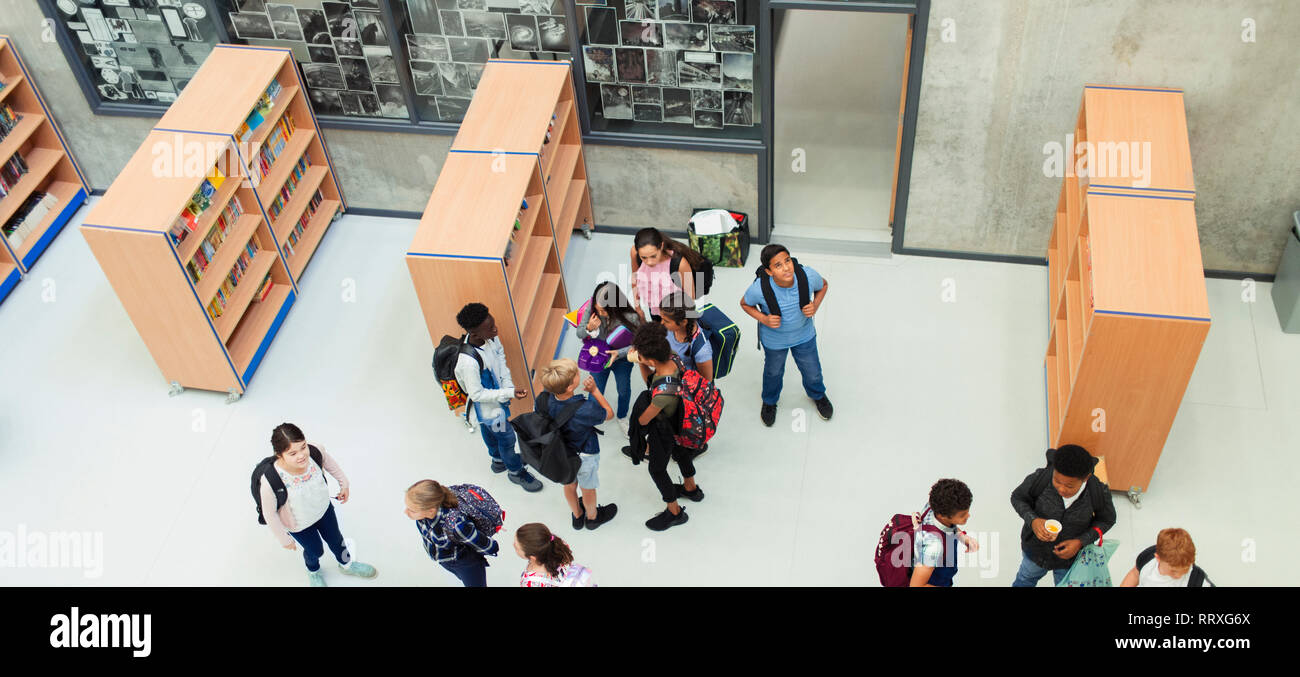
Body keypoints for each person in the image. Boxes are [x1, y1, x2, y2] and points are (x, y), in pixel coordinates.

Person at [257, 423, 378, 587]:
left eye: (303, 447)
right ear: (279, 455)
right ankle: (313, 571)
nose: (301, 455)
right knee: (315, 550)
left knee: (337, 540)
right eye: (293, 453)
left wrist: (344, 484)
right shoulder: (270, 480)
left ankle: (347, 564)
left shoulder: (315, 451)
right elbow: (269, 513)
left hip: (324, 510)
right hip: (299, 525)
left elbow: (331, 465)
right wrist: (284, 539)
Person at [739, 244, 832, 427]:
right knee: (773, 373)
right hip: (775, 341)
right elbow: (744, 303)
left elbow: (824, 285)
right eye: (778, 265)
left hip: (804, 335)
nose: (786, 268)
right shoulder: (759, 289)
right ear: (769, 271)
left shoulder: (807, 276)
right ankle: (769, 401)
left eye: (787, 261)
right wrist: (764, 319)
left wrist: (815, 305)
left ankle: (818, 394)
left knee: (812, 371)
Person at [454, 302, 542, 493]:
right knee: (507, 438)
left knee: (489, 431)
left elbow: (500, 358)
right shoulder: (469, 363)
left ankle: (498, 460)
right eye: (490, 328)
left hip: (497, 399)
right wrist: (508, 393)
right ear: (475, 334)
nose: (496, 329)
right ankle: (515, 471)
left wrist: (508, 386)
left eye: (493, 324)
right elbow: (476, 394)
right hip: (490, 409)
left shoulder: (490, 337)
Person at [627, 323, 703, 531]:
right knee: (681, 452)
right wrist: (640, 362)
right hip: (679, 418)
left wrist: (637, 420)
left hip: (664, 429)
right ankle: (691, 488)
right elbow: (651, 380)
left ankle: (674, 511)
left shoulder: (663, 393)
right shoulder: (672, 358)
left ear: (652, 361)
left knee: (657, 469)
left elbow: (644, 419)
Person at [1009, 445, 1117, 587]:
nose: (1061, 489)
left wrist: (1080, 542)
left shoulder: (1097, 492)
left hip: (1070, 561)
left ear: (1086, 478)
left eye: (1069, 486)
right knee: (1025, 579)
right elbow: (1018, 498)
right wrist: (1033, 520)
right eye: (1057, 481)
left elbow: (1106, 520)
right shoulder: (1040, 478)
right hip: (1034, 552)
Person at [539, 358, 619, 531]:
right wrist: (595, 391)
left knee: (569, 485)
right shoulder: (584, 408)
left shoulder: (544, 400)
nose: (578, 373)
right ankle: (592, 518)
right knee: (587, 488)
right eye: (576, 373)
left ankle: (577, 516)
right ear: (570, 387)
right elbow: (609, 414)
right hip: (585, 454)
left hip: (561, 453)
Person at [576, 281, 645, 436]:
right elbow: (579, 333)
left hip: (622, 361)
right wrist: (589, 328)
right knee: (595, 392)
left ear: (615, 307)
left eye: (604, 311)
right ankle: (591, 419)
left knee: (623, 390)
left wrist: (618, 353)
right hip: (598, 359)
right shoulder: (593, 306)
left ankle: (622, 417)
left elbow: (637, 344)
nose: (600, 313)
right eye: (598, 309)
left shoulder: (631, 317)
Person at [404, 479, 501, 587]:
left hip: (466, 563)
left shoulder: (456, 525)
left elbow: (485, 545)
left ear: (431, 510)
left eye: (412, 510)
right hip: (445, 558)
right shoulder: (424, 514)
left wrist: (493, 548)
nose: (406, 512)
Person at [910, 479, 978, 587]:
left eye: (967, 511)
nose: (968, 516)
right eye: (962, 515)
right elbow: (916, 586)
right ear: (942, 515)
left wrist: (963, 537)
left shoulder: (933, 507)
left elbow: (948, 525)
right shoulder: (933, 546)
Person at [629, 227, 710, 319]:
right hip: (655, 306)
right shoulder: (634, 252)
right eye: (644, 257)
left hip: (675, 314)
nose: (649, 262)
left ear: (661, 246)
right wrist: (638, 308)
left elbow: (690, 298)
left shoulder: (680, 264)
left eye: (653, 256)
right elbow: (635, 279)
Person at [1120, 528, 1213, 587]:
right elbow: (1135, 574)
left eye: (1185, 570)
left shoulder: (1197, 581)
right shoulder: (1147, 557)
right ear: (1158, 558)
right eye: (1173, 571)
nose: (1179, 576)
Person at [655, 291, 714, 381]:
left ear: (683, 322)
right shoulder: (670, 329)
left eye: (666, 321)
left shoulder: (702, 351)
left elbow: (706, 383)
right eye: (661, 318)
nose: (661, 323)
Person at [514, 522, 595, 587]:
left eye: (516, 547)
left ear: (533, 557)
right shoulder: (557, 545)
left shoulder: (531, 583)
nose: (513, 545)